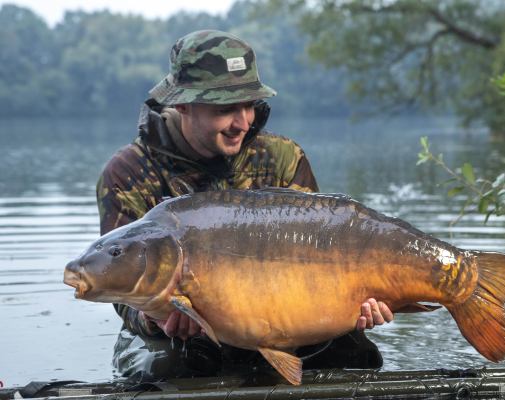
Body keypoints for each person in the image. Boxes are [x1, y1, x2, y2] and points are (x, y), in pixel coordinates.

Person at [96, 30, 394, 381]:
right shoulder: (129, 171)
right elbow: (118, 288)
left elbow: (324, 254)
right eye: (225, 109)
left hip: (280, 318)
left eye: (249, 105)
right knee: (166, 371)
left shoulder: (282, 158)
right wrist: (152, 317)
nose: (243, 122)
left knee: (357, 354)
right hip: (175, 338)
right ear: (182, 105)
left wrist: (358, 303)